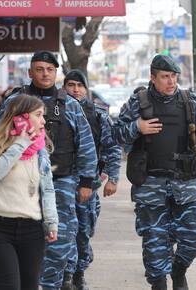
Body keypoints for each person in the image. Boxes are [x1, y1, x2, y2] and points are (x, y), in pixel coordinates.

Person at [111, 54, 196, 290]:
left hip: (187, 183)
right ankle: (159, 283)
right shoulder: (138, 102)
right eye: (165, 77)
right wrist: (137, 127)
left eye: (174, 76)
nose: (171, 81)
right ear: (153, 77)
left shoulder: (189, 101)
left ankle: (179, 269)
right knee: (154, 244)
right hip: (150, 184)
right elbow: (115, 135)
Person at [0, 51, 98, 290]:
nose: (45, 73)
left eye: (50, 69)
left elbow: (86, 144)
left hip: (61, 184)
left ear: (56, 73)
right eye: (39, 69)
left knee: (59, 245)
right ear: (30, 73)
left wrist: (86, 182)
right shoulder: (14, 103)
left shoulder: (69, 104)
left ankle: (50, 284)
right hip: (20, 186)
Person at [0, 94, 58, 290]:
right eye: (38, 114)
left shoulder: (40, 149)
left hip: (32, 230)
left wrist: (51, 221)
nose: (43, 121)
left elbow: (47, 189)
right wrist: (20, 144)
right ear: (21, 117)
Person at [61, 69, 122, 290]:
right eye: (71, 85)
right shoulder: (55, 111)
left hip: (87, 184)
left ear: (86, 89)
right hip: (61, 183)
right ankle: (67, 276)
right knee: (64, 230)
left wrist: (113, 178)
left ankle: (79, 271)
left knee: (84, 230)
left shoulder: (98, 115)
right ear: (64, 87)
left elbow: (112, 148)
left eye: (80, 85)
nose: (76, 90)